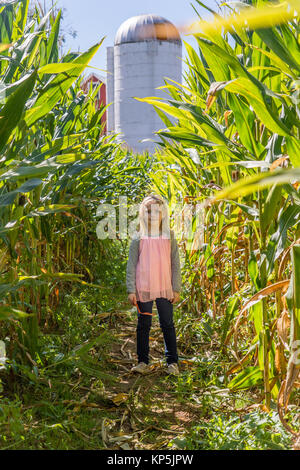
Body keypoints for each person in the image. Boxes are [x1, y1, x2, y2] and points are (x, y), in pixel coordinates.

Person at [126, 192, 182, 375]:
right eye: (149, 211)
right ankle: (143, 361)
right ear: (143, 213)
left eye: (157, 211)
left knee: (167, 323)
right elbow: (132, 265)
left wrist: (176, 288)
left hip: (164, 286)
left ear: (163, 213)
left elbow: (175, 263)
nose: (153, 215)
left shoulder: (169, 236)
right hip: (144, 287)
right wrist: (131, 289)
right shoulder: (138, 237)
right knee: (144, 324)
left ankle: (172, 362)